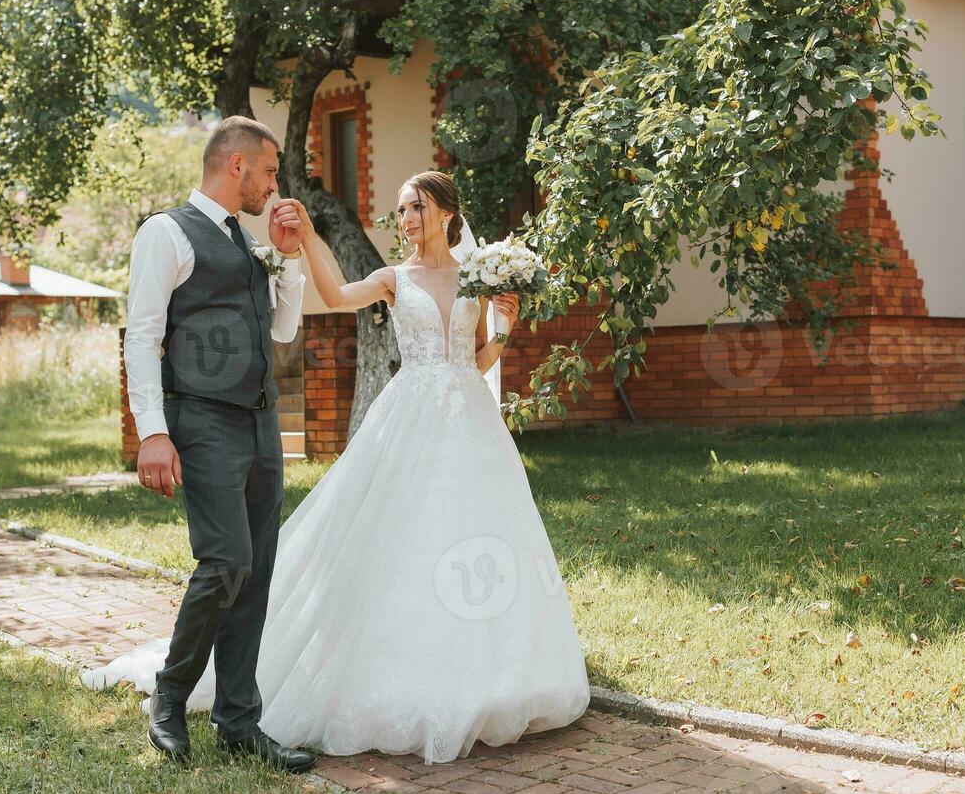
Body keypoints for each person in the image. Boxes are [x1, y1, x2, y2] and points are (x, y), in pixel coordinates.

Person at [87, 169, 589, 764]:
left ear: (449, 213)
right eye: (401, 210)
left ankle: (491, 676)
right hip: (410, 423)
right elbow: (337, 296)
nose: (405, 220)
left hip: (472, 426)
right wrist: (311, 241)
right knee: (404, 542)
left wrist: (504, 330)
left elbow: (474, 360)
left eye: (416, 208)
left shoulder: (477, 280)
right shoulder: (392, 279)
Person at [113, 115, 315, 772]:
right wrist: (153, 433)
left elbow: (284, 330)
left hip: (259, 423)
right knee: (225, 560)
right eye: (269, 170)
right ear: (236, 165)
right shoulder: (166, 232)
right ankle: (170, 698)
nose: (273, 184)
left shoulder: (248, 243)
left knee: (251, 574)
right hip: (200, 420)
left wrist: (288, 257)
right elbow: (142, 336)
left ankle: (238, 723)